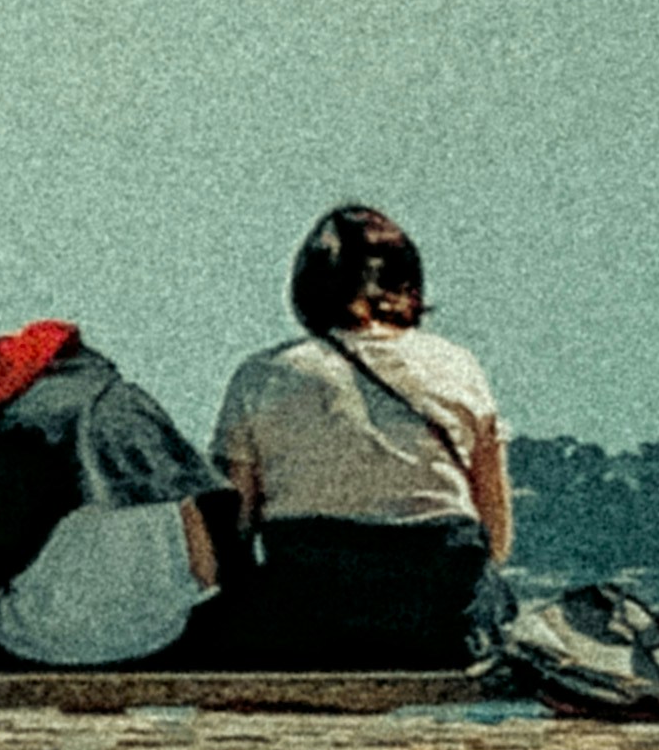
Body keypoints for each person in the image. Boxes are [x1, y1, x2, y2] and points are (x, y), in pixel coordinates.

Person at [205, 203, 510, 669]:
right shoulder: (457, 366)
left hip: (308, 620)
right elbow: (496, 531)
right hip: (438, 619)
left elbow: (235, 526)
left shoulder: (263, 375)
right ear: (409, 284)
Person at [0, 319, 230, 672]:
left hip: (41, 644)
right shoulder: (134, 405)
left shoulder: (0, 429)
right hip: (158, 636)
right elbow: (205, 568)